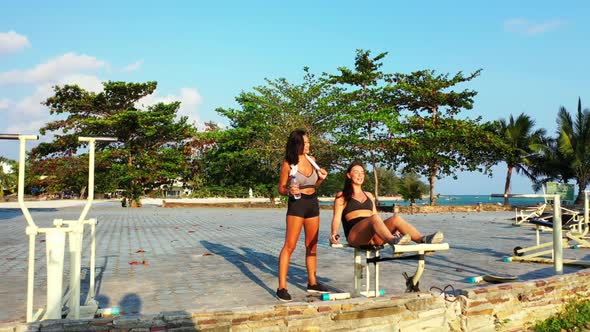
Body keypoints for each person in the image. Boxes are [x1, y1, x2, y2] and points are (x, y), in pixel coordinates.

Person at [329, 161, 443, 249]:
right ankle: (392, 240)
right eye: (356, 172)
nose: (360, 175)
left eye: (362, 172)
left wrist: (392, 229)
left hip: (373, 237)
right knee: (373, 219)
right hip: (355, 237)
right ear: (349, 175)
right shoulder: (342, 196)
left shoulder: (369, 195)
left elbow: (376, 217)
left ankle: (422, 239)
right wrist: (334, 234)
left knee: (396, 219)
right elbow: (336, 218)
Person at [276, 129, 328, 302]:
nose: (308, 145)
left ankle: (312, 283)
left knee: (311, 245)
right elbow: (281, 188)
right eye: (305, 143)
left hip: (313, 203)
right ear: (296, 144)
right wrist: (289, 191)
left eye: (308, 142)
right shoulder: (289, 164)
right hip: (297, 204)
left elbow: (315, 184)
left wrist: (321, 178)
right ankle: (282, 287)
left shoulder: (313, 161)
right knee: (289, 245)